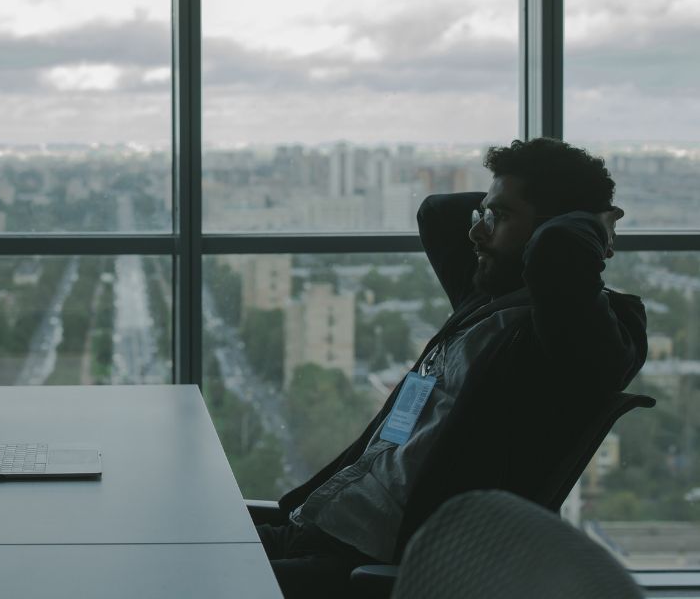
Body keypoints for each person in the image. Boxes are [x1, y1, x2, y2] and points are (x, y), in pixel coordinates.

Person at [256, 138, 648, 598]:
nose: (477, 232)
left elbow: (557, 253)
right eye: (485, 214)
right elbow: (437, 213)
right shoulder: (486, 299)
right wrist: (503, 212)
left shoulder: (578, 341)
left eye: (499, 217)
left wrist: (587, 223)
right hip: (315, 528)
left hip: (363, 569)